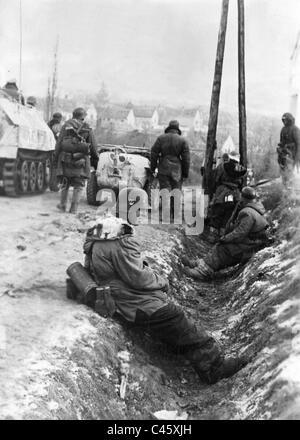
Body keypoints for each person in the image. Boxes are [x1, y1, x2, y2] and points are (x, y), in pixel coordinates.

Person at [82, 214, 246, 384]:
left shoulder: (95, 243)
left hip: (119, 298)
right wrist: (162, 281)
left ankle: (178, 351)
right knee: (178, 318)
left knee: (171, 318)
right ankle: (214, 368)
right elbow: (139, 278)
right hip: (133, 302)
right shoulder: (120, 243)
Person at [184, 187, 270, 280]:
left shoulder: (247, 213)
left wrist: (225, 238)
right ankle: (202, 263)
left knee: (222, 248)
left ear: (243, 197)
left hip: (249, 246)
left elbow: (239, 234)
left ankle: (203, 272)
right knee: (222, 245)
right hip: (251, 243)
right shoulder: (254, 209)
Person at [54, 107, 99, 214]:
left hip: (65, 160)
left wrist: (56, 159)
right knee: (78, 186)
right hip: (81, 162)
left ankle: (62, 206)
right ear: (83, 117)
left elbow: (59, 144)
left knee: (65, 183)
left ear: (73, 115)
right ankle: (73, 209)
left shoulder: (66, 126)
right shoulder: (87, 128)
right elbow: (93, 147)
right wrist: (95, 162)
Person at [150, 120, 190, 220]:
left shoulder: (161, 138)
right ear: (177, 129)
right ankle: (175, 216)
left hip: (163, 167)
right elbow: (186, 159)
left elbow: (154, 153)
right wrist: (185, 173)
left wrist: (153, 167)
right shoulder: (183, 140)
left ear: (169, 128)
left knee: (165, 191)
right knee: (176, 192)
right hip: (177, 169)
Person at [207, 152, 247, 233]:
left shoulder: (222, 166)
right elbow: (242, 185)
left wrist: (213, 190)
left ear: (230, 157)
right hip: (235, 195)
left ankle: (213, 234)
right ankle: (223, 234)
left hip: (222, 192)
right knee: (229, 215)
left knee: (217, 213)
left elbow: (216, 179)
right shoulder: (243, 170)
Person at [277, 112, 300, 186]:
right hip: (284, 155)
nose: (284, 121)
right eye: (283, 120)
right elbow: (281, 142)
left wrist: (296, 158)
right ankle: (285, 187)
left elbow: (298, 144)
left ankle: (291, 190)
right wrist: (280, 147)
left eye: (286, 120)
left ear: (289, 120)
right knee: (283, 172)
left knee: (290, 173)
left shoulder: (295, 129)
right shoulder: (283, 129)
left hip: (292, 155)